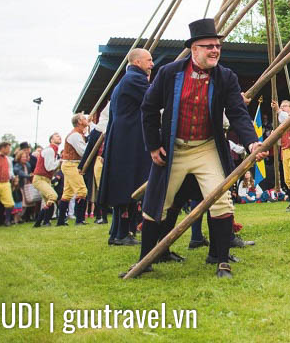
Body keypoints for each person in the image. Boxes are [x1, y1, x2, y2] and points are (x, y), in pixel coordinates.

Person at [127, 18, 266, 279]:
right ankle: (145, 261)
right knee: (158, 202)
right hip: (174, 149)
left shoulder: (226, 77)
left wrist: (251, 142)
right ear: (194, 49)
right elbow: (148, 108)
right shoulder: (170, 73)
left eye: (217, 46)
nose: (215, 50)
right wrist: (154, 146)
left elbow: (237, 113)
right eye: (208, 46)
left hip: (206, 148)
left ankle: (222, 261)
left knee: (221, 199)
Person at [99, 48, 154, 246]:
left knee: (127, 184)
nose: (152, 64)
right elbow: (154, 98)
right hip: (129, 140)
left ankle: (119, 232)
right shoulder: (135, 79)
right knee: (129, 186)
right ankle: (122, 233)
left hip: (122, 139)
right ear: (137, 62)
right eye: (149, 60)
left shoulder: (125, 80)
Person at [58, 113, 90, 226]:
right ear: (79, 122)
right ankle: (79, 220)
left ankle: (61, 221)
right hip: (71, 165)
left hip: (71, 164)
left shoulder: (78, 134)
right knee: (82, 191)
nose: (86, 119)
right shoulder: (75, 135)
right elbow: (83, 152)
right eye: (84, 118)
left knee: (67, 193)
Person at [31, 133, 61, 227]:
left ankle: (45, 222)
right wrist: (59, 161)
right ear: (51, 140)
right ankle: (39, 221)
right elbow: (49, 167)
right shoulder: (50, 150)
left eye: (59, 136)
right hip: (40, 179)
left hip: (45, 179)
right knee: (53, 196)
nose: (59, 137)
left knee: (49, 199)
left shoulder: (53, 151)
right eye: (56, 136)